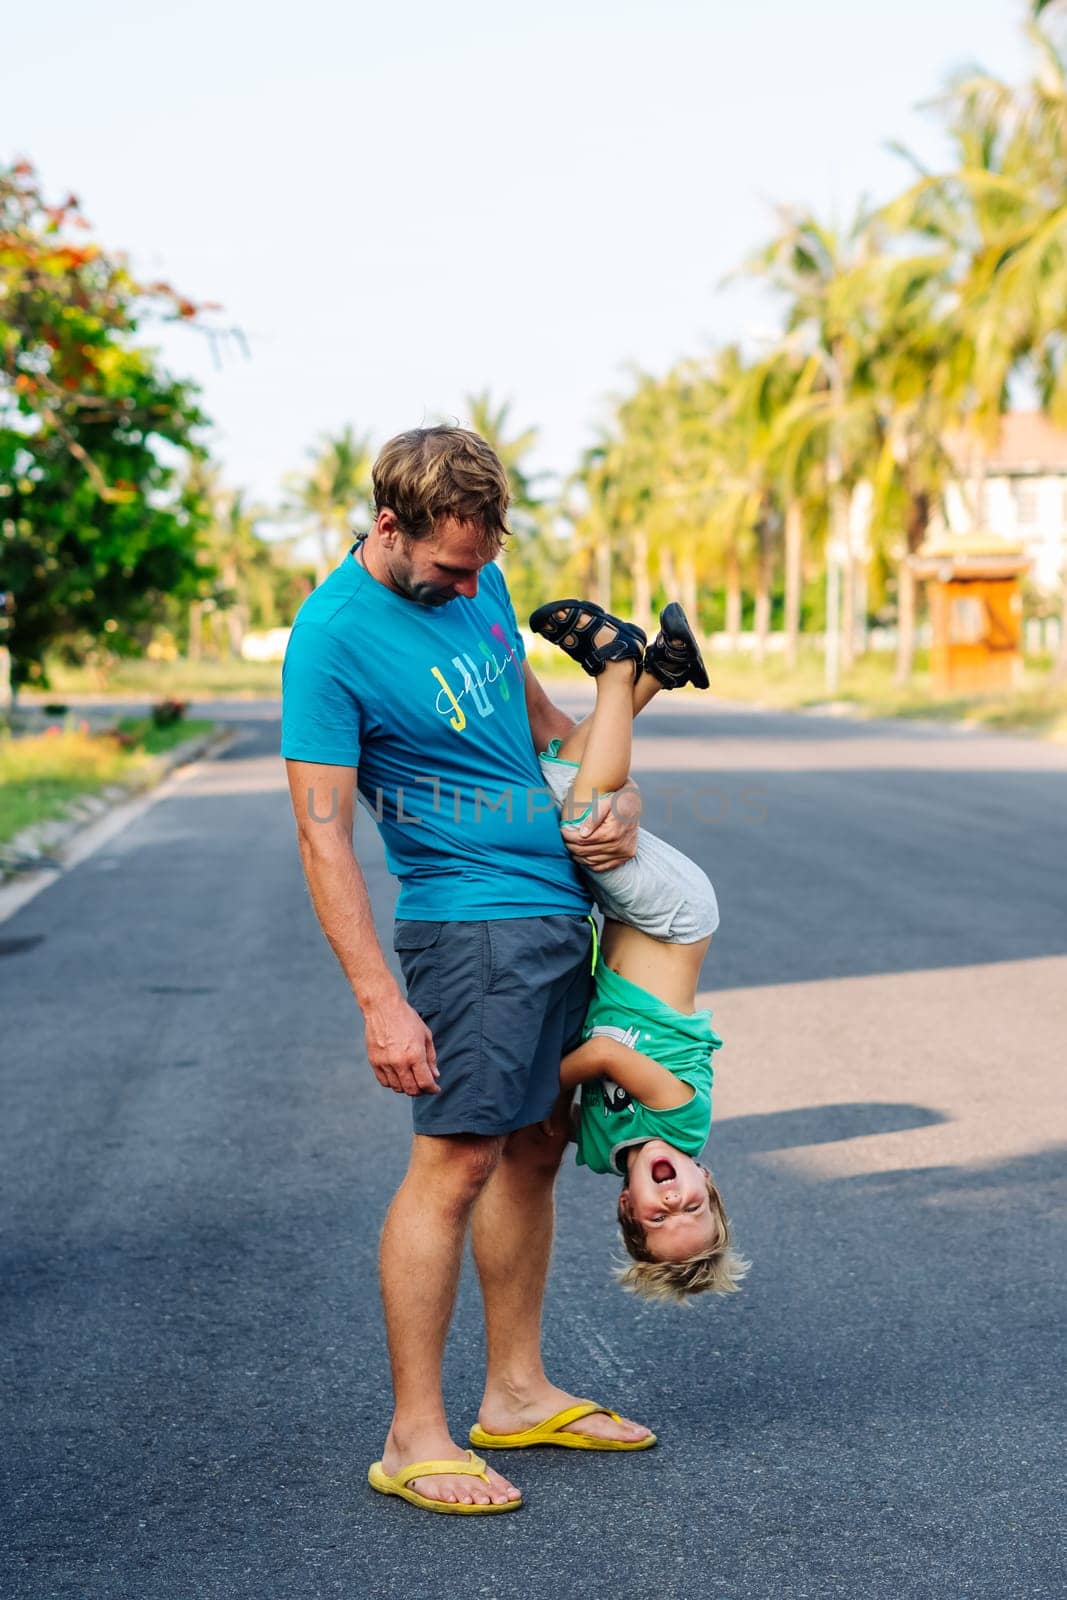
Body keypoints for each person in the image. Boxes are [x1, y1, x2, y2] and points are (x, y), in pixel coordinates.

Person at [281, 428, 653, 1518]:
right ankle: (412, 1433)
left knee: (534, 1147)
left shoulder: (481, 585)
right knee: (454, 1165)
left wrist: (616, 785)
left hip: (553, 915)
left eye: (480, 561)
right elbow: (320, 834)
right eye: (447, 566)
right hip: (469, 934)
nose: (466, 581)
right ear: (388, 528)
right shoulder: (331, 639)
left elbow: (551, 740)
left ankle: (516, 1390)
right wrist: (379, 1001)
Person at [517, 597, 749, 1308]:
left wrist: (560, 1117)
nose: (671, 1197)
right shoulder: (683, 1120)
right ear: (707, 1185)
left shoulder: (595, 1150)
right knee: (584, 820)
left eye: (658, 1215)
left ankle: (660, 672)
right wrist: (548, 1093)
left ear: (626, 1212)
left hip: (630, 918)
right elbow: (606, 1058)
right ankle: (618, 668)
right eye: (691, 1205)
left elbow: (585, 1084)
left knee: (559, 770)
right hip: (674, 920)